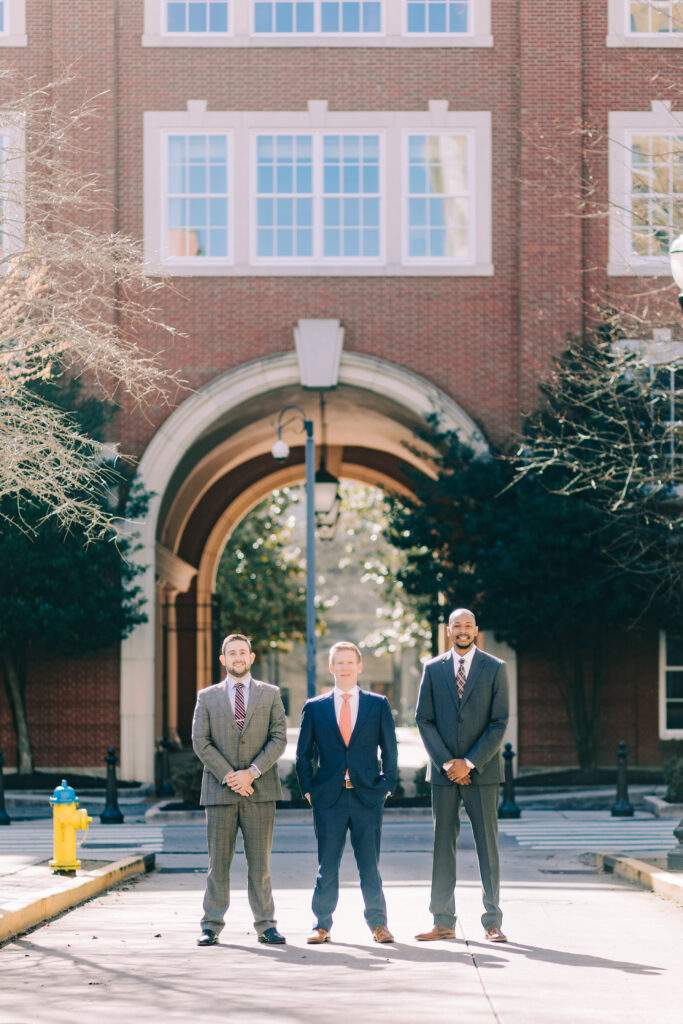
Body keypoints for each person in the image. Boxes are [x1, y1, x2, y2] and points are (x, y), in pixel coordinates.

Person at [415, 608, 509, 943]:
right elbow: (423, 719)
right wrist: (447, 764)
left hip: (481, 773)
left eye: (468, 626)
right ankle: (443, 921)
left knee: (488, 847)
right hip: (443, 775)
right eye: (457, 626)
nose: (463, 631)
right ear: (448, 630)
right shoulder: (432, 668)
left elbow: (498, 722)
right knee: (443, 847)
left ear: (476, 631)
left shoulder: (495, 668)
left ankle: (492, 922)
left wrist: (467, 763)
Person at [295, 641, 398, 945]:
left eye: (350, 662)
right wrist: (308, 790)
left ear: (359, 666)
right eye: (339, 662)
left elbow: (389, 749)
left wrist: (387, 785)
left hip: (367, 796)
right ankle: (321, 925)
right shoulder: (315, 707)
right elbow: (303, 755)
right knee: (327, 865)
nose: (344, 667)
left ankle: (379, 924)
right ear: (331, 667)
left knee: (370, 865)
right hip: (329, 798)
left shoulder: (377, 704)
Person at [192, 633, 287, 947]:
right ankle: (211, 925)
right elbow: (200, 742)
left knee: (260, 864)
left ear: (251, 657)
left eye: (242, 652)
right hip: (220, 791)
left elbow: (278, 739)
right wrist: (230, 776)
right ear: (223, 659)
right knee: (217, 864)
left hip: (260, 790)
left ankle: (266, 925)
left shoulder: (271, 694)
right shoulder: (207, 697)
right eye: (231, 653)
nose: (237, 657)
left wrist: (251, 773)